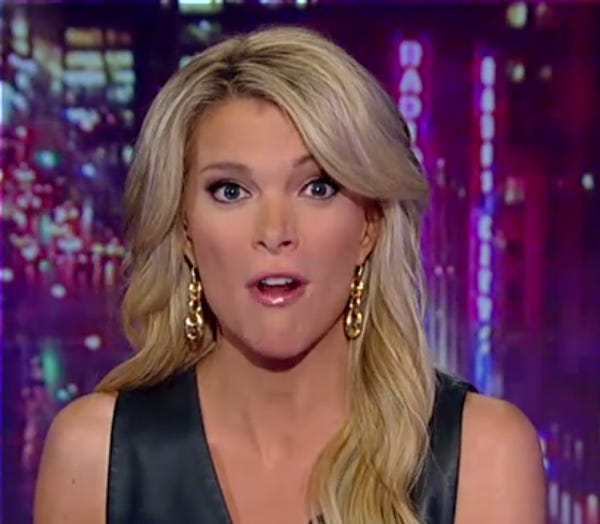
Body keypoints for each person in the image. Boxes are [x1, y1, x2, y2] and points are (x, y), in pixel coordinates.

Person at [34, 26, 546, 524]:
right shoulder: (95, 458)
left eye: (318, 188)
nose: (275, 232)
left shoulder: (482, 456)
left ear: (369, 226)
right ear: (185, 228)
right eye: (231, 191)